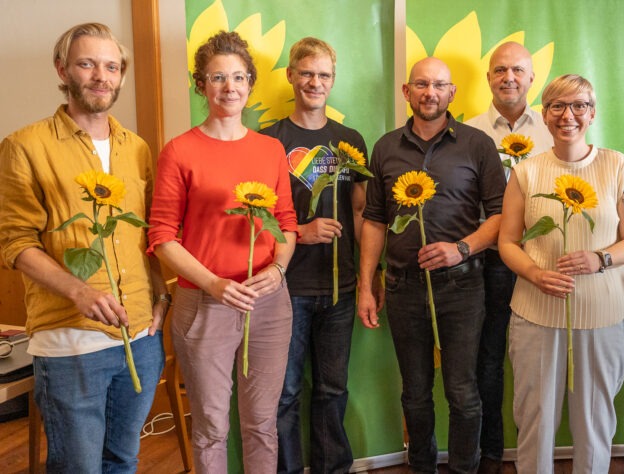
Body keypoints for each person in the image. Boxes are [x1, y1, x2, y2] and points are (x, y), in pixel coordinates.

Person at [0, 22, 166, 472]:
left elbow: (148, 233)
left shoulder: (137, 149)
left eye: (111, 66)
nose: (101, 75)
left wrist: (162, 295)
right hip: (71, 342)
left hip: (141, 337)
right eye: (87, 63)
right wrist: (80, 291)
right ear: (63, 68)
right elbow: (15, 242)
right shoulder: (24, 146)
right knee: (77, 467)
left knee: (123, 461)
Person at [147, 31, 297, 473]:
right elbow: (161, 236)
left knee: (263, 424)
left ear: (250, 83)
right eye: (217, 77)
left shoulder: (270, 150)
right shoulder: (179, 151)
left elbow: (286, 222)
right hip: (205, 302)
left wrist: (279, 270)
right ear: (201, 85)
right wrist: (213, 283)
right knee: (211, 426)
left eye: (237, 77)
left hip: (269, 302)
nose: (229, 86)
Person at [357, 57, 506, 473]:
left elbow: (500, 216)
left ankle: (464, 468)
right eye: (421, 84)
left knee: (463, 391)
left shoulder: (477, 145)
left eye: (439, 85)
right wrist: (366, 285)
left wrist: (462, 248)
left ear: (451, 93)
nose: (430, 92)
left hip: (463, 288)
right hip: (404, 289)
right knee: (416, 393)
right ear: (407, 92)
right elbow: (374, 220)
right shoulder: (385, 147)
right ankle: (421, 466)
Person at [498, 74, 624, 473]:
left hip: (603, 317)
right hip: (535, 315)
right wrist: (534, 273)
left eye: (579, 105)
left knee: (596, 423)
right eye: (557, 106)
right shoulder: (525, 172)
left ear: (593, 113)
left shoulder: (619, 166)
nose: (568, 115)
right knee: (534, 420)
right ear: (544, 116)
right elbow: (508, 242)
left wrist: (601, 259)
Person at [260, 37, 378, 473]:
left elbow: (364, 211)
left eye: (323, 75)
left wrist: (369, 279)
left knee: (332, 390)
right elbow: (259, 217)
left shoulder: (349, 141)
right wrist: (300, 232)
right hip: (285, 290)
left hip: (340, 291)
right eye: (306, 73)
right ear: (291, 75)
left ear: (333, 80)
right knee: (285, 393)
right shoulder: (268, 140)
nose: (314, 82)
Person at [464, 41, 553, 472]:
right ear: (488, 78)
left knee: (536, 361)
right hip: (486, 261)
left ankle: (537, 454)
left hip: (541, 261)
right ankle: (490, 454)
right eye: (500, 70)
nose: (509, 78)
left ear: (532, 78)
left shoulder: (555, 129)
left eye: (518, 70)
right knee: (488, 360)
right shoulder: (469, 130)